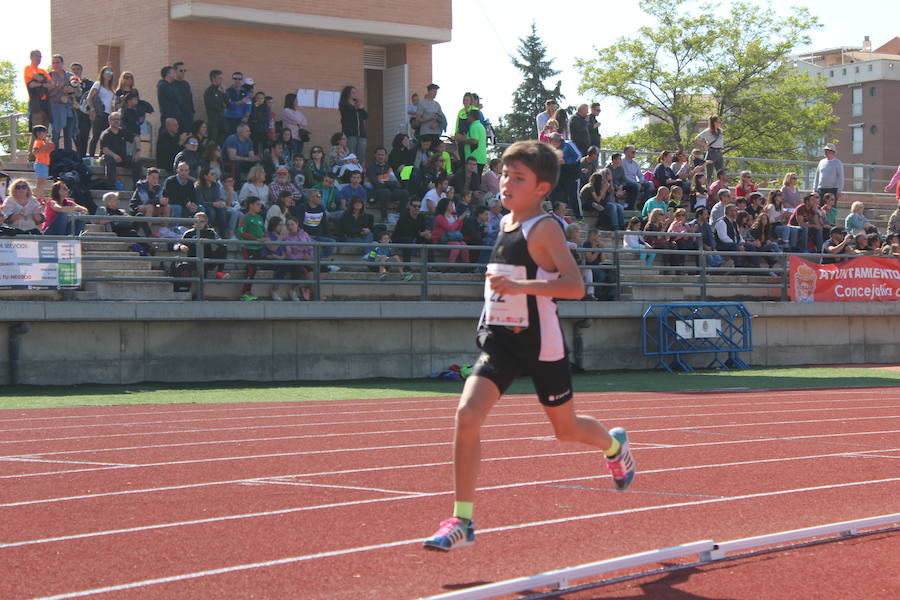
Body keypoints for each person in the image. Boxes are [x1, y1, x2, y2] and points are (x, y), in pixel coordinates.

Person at [423, 140, 635, 551]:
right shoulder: (503, 224)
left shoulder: (545, 228)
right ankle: (462, 520)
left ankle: (614, 445)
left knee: (565, 429)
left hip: (541, 344)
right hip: (502, 341)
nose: (505, 183)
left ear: (541, 188)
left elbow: (574, 286)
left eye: (518, 178)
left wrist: (521, 285)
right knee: (467, 415)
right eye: (504, 174)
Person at [99, 111, 142, 188]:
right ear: (109, 121)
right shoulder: (105, 134)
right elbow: (105, 149)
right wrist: (114, 155)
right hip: (109, 157)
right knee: (109, 160)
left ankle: (137, 187)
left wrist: (138, 151)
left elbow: (136, 138)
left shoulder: (122, 131)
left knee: (137, 162)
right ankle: (111, 186)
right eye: (114, 119)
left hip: (122, 158)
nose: (116, 121)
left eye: (118, 119)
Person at [297, 189, 338, 268]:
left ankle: (319, 259)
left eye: (320, 196)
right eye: (318, 196)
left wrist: (328, 237)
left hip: (318, 236)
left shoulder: (321, 208)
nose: (320, 198)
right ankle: (318, 263)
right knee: (316, 246)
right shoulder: (302, 207)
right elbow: (299, 225)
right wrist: (306, 235)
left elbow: (324, 225)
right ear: (311, 198)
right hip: (306, 237)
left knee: (332, 242)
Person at [236, 196, 266, 300]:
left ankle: (249, 292)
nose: (260, 206)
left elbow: (264, 230)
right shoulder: (245, 217)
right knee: (251, 269)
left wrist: (265, 237)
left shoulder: (260, 217)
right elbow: (241, 232)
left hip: (258, 248)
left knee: (253, 270)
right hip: (248, 247)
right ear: (250, 205)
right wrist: (255, 239)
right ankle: (245, 293)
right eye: (257, 204)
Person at [392, 197, 430, 274]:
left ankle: (430, 267)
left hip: (413, 237)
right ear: (410, 206)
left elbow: (424, 228)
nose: (417, 208)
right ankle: (407, 267)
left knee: (428, 240)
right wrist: (420, 234)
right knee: (407, 240)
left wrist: (427, 233)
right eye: (414, 206)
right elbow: (405, 232)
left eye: (419, 206)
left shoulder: (421, 217)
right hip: (399, 238)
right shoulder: (404, 217)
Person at [47, 54, 77, 151]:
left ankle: (68, 158)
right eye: (53, 63)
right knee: (55, 134)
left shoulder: (70, 76)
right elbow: (45, 94)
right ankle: (54, 157)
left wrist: (71, 89)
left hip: (69, 109)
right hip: (56, 110)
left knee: (68, 136)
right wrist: (57, 90)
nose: (55, 65)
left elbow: (79, 91)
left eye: (57, 62)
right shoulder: (49, 76)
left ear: (62, 63)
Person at [431, 196, 469, 264]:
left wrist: (460, 221)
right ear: (445, 206)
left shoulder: (453, 216)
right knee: (456, 245)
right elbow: (450, 228)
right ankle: (450, 265)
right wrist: (459, 220)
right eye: (450, 205)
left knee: (464, 245)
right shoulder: (440, 217)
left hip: (452, 238)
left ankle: (466, 266)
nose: (452, 206)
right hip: (441, 240)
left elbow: (457, 229)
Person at [339, 86, 368, 158]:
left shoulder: (357, 103)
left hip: (361, 135)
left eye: (356, 92)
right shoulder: (343, 104)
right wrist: (355, 108)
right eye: (353, 92)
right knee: (351, 156)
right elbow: (347, 116)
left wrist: (361, 109)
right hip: (350, 135)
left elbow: (365, 116)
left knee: (361, 156)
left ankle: (359, 169)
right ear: (347, 93)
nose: (355, 94)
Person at [694, 115, 724, 181]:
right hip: (712, 152)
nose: (720, 123)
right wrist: (704, 145)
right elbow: (696, 138)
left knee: (720, 172)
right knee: (709, 173)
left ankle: (719, 187)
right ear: (714, 122)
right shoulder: (707, 131)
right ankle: (708, 189)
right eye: (719, 122)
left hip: (719, 152)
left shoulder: (719, 131)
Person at [204, 70, 229, 146]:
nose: (221, 80)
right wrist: (222, 105)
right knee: (213, 144)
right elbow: (213, 105)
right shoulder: (209, 91)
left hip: (222, 122)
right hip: (213, 123)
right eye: (219, 78)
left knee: (222, 143)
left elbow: (228, 104)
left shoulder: (220, 90)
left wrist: (224, 93)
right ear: (213, 79)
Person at [30, 125, 53, 200]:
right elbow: (34, 151)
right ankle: (38, 198)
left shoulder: (42, 142)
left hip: (44, 164)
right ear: (38, 133)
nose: (46, 134)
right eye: (45, 132)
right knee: (41, 182)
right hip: (40, 164)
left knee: (42, 182)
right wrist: (45, 147)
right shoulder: (38, 141)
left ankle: (41, 197)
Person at [171, 61, 194, 132]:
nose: (183, 72)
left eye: (185, 70)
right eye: (181, 70)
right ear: (175, 71)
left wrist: (192, 112)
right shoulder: (171, 85)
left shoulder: (186, 84)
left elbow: (190, 99)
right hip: (177, 117)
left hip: (188, 117)